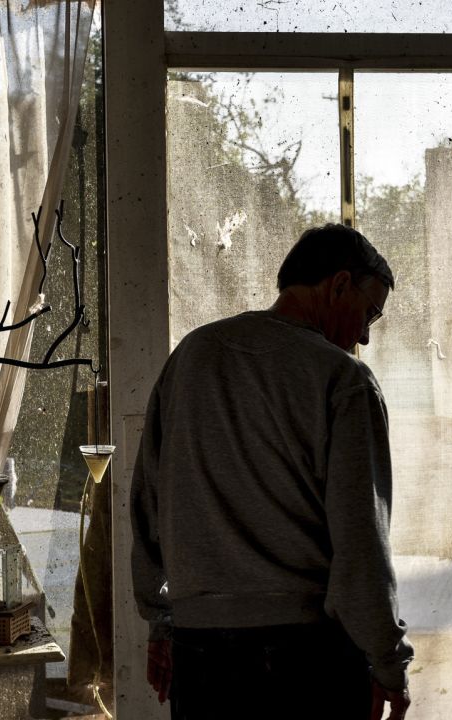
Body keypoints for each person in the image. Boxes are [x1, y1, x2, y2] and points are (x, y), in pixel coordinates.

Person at [132, 224, 414, 720]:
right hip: (307, 659)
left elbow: (148, 505)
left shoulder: (192, 355)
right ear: (339, 284)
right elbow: (360, 541)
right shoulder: (343, 380)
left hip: (201, 658)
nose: (366, 335)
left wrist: (163, 623)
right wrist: (388, 660)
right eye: (369, 312)